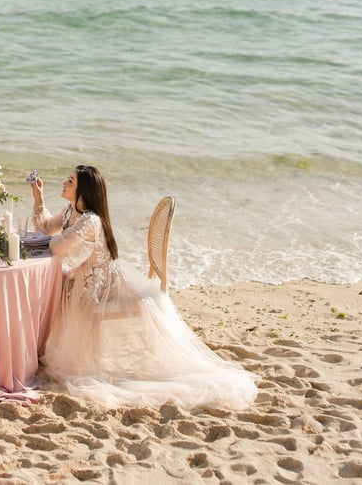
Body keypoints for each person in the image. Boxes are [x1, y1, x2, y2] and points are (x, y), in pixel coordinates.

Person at [29, 165, 257, 410]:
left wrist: (43, 244)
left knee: (55, 285)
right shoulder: (69, 210)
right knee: (54, 285)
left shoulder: (90, 221)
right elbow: (46, 229)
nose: (64, 183)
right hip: (83, 278)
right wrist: (38, 197)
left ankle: (37, 353)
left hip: (100, 285)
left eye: (70, 181)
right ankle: (35, 351)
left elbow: (58, 246)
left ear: (83, 190)